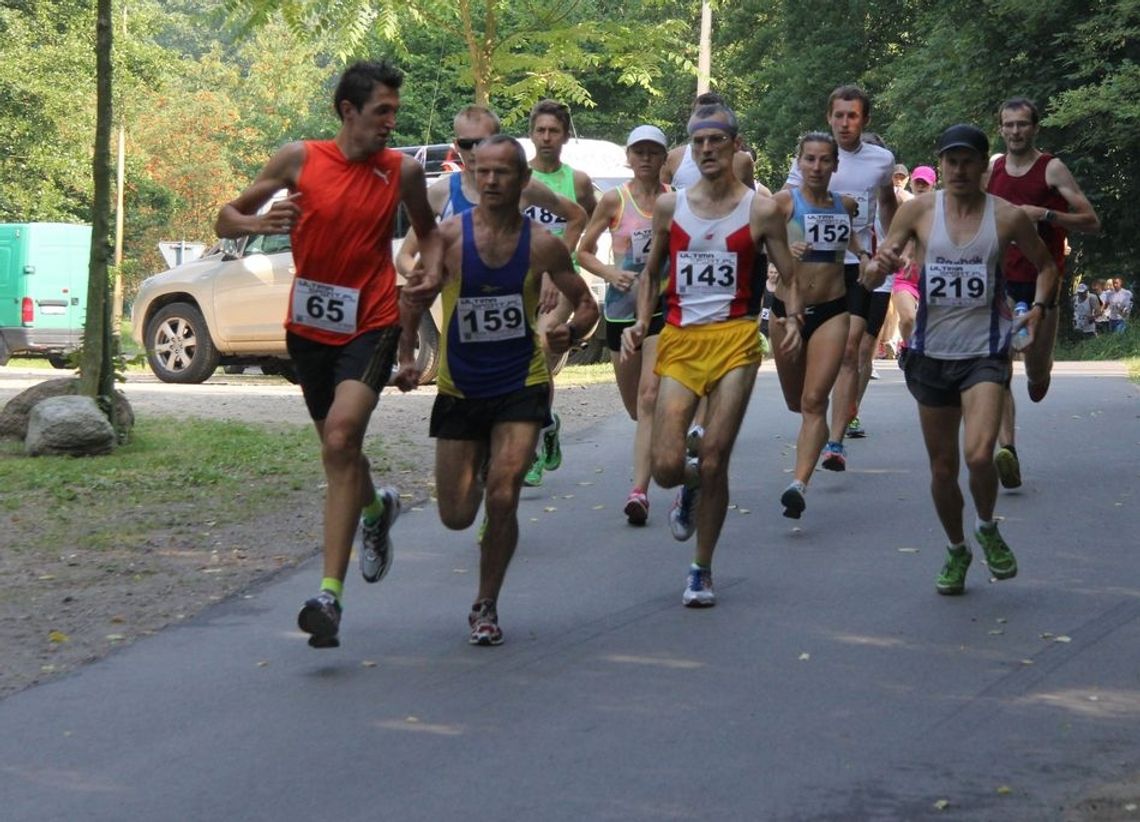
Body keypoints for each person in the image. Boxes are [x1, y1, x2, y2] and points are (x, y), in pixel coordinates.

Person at [215, 60, 443, 649]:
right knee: (337, 451)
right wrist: (260, 219)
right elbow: (225, 217)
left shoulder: (403, 171)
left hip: (371, 321)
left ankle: (329, 596)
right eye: (381, 112)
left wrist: (430, 274)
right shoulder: (300, 159)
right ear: (348, 111)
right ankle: (375, 507)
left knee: (342, 440)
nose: (391, 123)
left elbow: (430, 233)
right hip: (309, 329)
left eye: (395, 111)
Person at [410, 135, 598, 645]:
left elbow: (586, 307)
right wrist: (406, 356)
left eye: (503, 173)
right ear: (472, 174)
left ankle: (486, 603)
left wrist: (570, 332)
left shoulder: (542, 243)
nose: (491, 181)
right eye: (483, 171)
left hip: (521, 382)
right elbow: (411, 296)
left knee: (505, 492)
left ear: (522, 182)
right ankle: (481, 472)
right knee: (455, 515)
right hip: (460, 386)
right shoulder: (448, 237)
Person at [862, 123, 1058, 596]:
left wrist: (1036, 309)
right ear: (942, 164)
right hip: (931, 354)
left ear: (983, 167)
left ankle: (987, 525)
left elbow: (1046, 266)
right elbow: (871, 276)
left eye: (968, 160)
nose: (959, 169)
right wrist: (878, 267)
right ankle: (956, 548)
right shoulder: (918, 212)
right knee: (943, 469)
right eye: (951, 161)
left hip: (986, 352)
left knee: (977, 454)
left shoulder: (1007, 217)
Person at [622, 100, 798, 607]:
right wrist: (639, 323)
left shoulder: (760, 209)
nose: (706, 150)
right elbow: (652, 272)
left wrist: (795, 317)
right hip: (680, 338)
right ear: (690, 150)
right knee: (665, 467)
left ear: (733, 144)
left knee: (717, 454)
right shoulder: (670, 207)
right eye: (698, 143)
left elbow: (788, 273)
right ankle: (690, 484)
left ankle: (701, 569)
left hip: (737, 339)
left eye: (715, 141)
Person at [986, 96, 1100, 489]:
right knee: (998, 368)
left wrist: (1046, 215)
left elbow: (1091, 220)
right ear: (1000, 128)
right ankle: (1007, 450)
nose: (1015, 131)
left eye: (1022, 124)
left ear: (1034, 127)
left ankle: (1041, 370)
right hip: (1000, 281)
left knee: (1034, 374)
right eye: (1008, 124)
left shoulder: (1051, 168)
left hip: (1042, 279)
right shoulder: (993, 169)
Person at [784, 86, 896, 469]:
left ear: (864, 120)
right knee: (801, 374)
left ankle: (835, 440)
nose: (845, 122)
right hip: (814, 266)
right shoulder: (813, 155)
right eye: (838, 115)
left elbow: (887, 202)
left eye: (852, 116)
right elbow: (785, 209)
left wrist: (892, 247)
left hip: (856, 265)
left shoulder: (880, 160)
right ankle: (814, 410)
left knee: (852, 350)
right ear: (828, 117)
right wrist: (786, 250)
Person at [577, 124, 671, 524]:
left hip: (667, 310)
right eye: (639, 152)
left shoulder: (676, 200)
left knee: (650, 398)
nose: (646, 159)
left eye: (653, 152)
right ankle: (663, 443)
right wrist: (610, 274)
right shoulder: (616, 200)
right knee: (636, 408)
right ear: (629, 158)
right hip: (620, 311)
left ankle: (639, 492)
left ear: (663, 158)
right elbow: (583, 251)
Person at [770, 132, 867, 519]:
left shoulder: (845, 205)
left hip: (832, 310)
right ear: (799, 162)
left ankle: (798, 484)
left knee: (813, 402)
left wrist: (869, 257)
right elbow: (755, 239)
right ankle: (817, 435)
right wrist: (781, 248)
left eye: (824, 160)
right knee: (796, 401)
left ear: (834, 165)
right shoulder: (782, 202)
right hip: (786, 312)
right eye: (809, 159)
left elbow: (855, 243)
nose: (816, 167)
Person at [395, 105, 587, 276]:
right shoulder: (440, 192)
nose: (474, 150)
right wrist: (424, 277)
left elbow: (577, 216)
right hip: (461, 304)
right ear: (456, 145)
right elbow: (405, 255)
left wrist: (554, 270)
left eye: (482, 142)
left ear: (497, 141)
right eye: (466, 144)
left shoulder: (524, 188)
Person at [523, 99, 599, 487]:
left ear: (566, 135)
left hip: (561, 280)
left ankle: (534, 450)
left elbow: (587, 219)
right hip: (522, 280)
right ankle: (548, 423)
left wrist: (568, 258)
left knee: (538, 348)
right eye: (540, 130)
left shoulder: (578, 181)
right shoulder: (518, 177)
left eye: (554, 131)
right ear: (531, 134)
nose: (547, 137)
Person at [662, 92, 761, 191]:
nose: (707, 121)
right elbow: (655, 196)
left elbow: (751, 202)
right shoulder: (672, 159)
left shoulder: (742, 161)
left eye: (712, 114)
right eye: (701, 115)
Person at [890, 166, 937, 354]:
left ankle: (917, 350)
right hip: (905, 276)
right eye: (918, 182)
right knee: (908, 318)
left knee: (931, 325)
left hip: (933, 277)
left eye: (925, 183)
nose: (921, 186)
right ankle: (908, 349)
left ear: (932, 185)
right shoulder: (903, 209)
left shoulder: (941, 211)